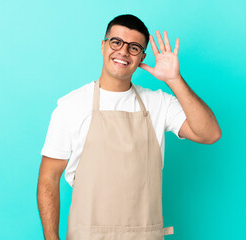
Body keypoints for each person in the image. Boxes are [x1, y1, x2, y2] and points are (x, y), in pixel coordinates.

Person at [37, 14, 221, 240]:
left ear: (142, 56)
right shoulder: (71, 106)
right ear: (103, 46)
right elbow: (48, 178)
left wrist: (174, 79)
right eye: (116, 42)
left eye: (134, 47)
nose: (123, 52)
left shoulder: (158, 103)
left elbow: (210, 134)